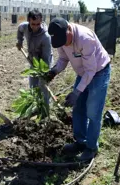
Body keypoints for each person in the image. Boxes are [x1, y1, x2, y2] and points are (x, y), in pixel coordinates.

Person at [46, 17, 111, 161]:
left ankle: (91, 147)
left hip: (99, 72)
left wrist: (77, 92)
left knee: (93, 112)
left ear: (69, 28)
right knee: (78, 108)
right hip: (83, 73)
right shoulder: (61, 39)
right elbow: (63, 59)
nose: (65, 44)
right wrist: (53, 72)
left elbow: (91, 71)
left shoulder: (85, 38)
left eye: (65, 40)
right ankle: (80, 142)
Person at [16, 10, 53, 104]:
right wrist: (20, 41)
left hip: (44, 63)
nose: (36, 27)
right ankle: (36, 107)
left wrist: (44, 74)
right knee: (33, 86)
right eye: (33, 24)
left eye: (38, 24)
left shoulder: (46, 37)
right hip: (33, 60)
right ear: (28, 21)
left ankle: (46, 109)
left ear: (41, 21)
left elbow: (46, 58)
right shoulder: (24, 27)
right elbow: (19, 30)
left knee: (43, 86)